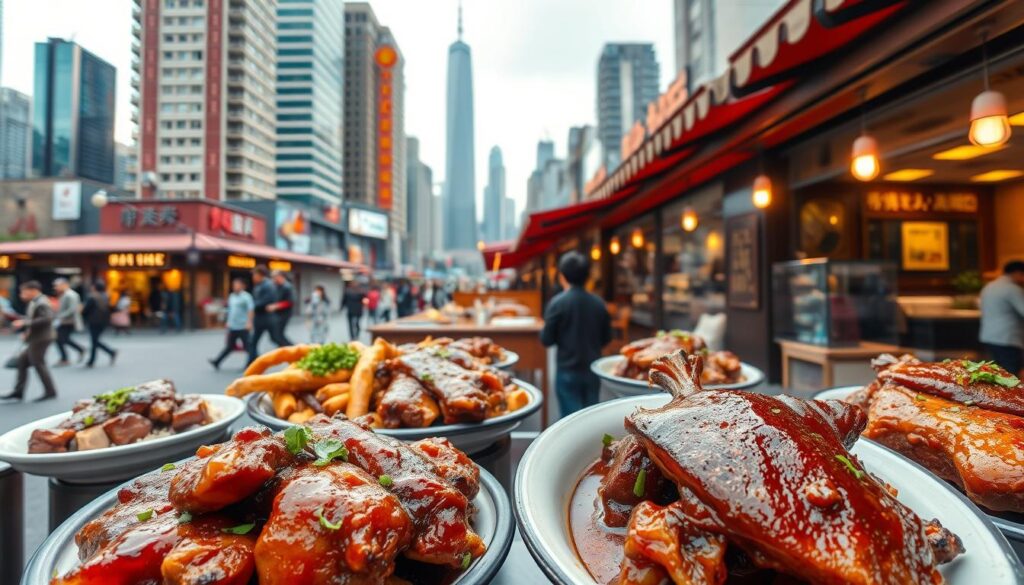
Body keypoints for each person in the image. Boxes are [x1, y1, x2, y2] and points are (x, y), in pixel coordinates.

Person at [540, 251, 612, 417]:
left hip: (567, 369)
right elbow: (606, 338)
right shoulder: (598, 303)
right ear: (587, 276)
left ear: (562, 276)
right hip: (593, 369)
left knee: (570, 420)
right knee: (590, 418)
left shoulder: (557, 303)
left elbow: (546, 339)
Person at [1, 281, 58, 401]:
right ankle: (18, 391)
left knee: (38, 363)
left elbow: (47, 319)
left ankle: (50, 391)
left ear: (33, 291)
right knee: (22, 361)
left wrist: (24, 323)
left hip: (41, 337)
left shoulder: (42, 302)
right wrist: (25, 325)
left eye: (24, 292)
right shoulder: (37, 301)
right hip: (37, 337)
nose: (22, 295)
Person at [979, 260, 1024, 375]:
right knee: (1011, 375)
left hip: (989, 336)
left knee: (996, 373)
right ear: (1017, 273)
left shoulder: (989, 286)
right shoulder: (1012, 289)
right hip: (1007, 338)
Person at [209, 278, 254, 370]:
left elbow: (251, 310)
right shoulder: (232, 296)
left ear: (242, 286)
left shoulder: (246, 297)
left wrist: (249, 322)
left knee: (247, 346)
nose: (235, 286)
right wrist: (228, 322)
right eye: (234, 285)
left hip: (243, 326)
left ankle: (252, 363)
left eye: (237, 284)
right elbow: (231, 310)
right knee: (230, 346)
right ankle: (217, 361)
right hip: (233, 326)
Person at [82, 280, 118, 368]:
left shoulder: (92, 297)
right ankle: (108, 354)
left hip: (94, 321)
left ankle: (109, 353)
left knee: (94, 341)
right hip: (103, 322)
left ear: (95, 287)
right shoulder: (106, 296)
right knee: (95, 340)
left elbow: (85, 310)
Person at [53, 278, 85, 366]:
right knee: (62, 339)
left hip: (68, 321)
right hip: (64, 320)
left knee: (60, 338)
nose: (56, 288)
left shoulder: (71, 295)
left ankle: (66, 357)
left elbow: (72, 309)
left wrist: (59, 316)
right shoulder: (64, 294)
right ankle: (68, 356)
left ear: (64, 285)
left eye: (57, 285)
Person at [249, 265, 278, 363]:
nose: (253, 277)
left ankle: (295, 352)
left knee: (276, 338)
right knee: (253, 341)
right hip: (260, 318)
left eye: (254, 275)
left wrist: (253, 305)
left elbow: (267, 300)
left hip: (266, 318)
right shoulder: (259, 285)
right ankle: (253, 362)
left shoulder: (268, 285)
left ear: (260, 274)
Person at [270, 270, 294, 346]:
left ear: (280, 277)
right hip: (277, 314)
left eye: (274, 277)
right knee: (276, 335)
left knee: (278, 335)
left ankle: (292, 348)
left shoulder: (287, 287)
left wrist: (276, 306)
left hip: (284, 314)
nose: (273, 279)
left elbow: (290, 302)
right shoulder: (277, 286)